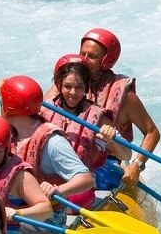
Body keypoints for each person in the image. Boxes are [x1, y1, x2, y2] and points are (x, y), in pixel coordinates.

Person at [75, 28, 159, 186]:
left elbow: (152, 133)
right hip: (72, 156)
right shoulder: (69, 84)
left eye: (92, 56)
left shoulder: (124, 96)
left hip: (109, 163)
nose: (84, 60)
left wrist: (137, 166)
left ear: (106, 60)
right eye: (82, 54)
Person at [0, 75, 95, 210]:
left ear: (9, 108)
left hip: (44, 219)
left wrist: (58, 190)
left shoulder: (52, 142)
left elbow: (86, 179)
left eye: (1, 103)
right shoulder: (12, 133)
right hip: (16, 212)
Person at [41, 54, 128, 191]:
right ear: (59, 85)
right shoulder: (44, 110)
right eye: (67, 86)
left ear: (86, 88)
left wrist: (112, 139)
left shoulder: (98, 117)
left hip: (80, 186)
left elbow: (126, 154)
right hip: (44, 183)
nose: (73, 93)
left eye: (79, 87)